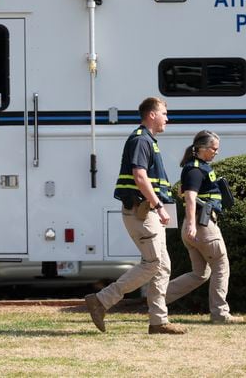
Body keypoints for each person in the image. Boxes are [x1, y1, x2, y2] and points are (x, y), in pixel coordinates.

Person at [85, 97, 186, 334]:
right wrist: (159, 205)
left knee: (162, 266)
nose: (167, 118)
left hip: (147, 211)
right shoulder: (141, 140)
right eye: (164, 113)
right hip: (143, 212)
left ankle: (158, 322)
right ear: (151, 115)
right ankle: (101, 300)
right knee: (153, 264)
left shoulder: (149, 141)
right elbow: (139, 177)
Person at [166, 130, 243, 324]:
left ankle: (156, 299)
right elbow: (190, 198)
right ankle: (220, 314)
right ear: (201, 148)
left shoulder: (197, 168)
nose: (216, 152)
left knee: (200, 273)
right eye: (213, 148)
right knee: (221, 265)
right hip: (203, 225)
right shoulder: (195, 170)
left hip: (196, 226)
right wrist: (192, 224)